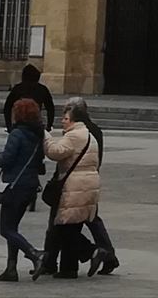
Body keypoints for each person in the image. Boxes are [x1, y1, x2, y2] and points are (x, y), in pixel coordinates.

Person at [39, 100, 102, 279]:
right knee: (71, 227)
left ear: (74, 120)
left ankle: (93, 251)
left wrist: (45, 136)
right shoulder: (87, 134)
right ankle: (69, 268)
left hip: (75, 186)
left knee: (64, 227)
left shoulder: (74, 136)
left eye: (66, 118)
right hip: (87, 184)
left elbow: (55, 152)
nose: (62, 121)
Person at [0, 97, 46, 282]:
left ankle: (34, 254)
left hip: (14, 186)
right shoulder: (38, 135)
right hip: (29, 186)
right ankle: (11, 268)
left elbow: (6, 159)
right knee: (13, 227)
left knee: (6, 229)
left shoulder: (17, 134)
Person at [66, 99, 121, 276]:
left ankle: (103, 255)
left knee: (68, 223)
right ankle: (107, 256)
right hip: (89, 180)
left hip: (80, 182)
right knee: (92, 220)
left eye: (67, 111)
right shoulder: (94, 129)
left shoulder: (81, 132)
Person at [2, 64, 55, 131]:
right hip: (36, 122)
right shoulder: (42, 89)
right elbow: (50, 108)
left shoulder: (18, 88)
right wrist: (49, 125)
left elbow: (7, 107)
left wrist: (9, 126)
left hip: (20, 123)